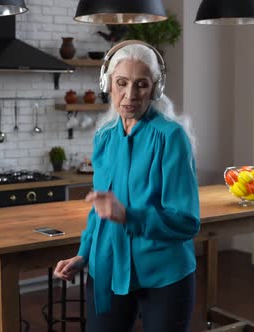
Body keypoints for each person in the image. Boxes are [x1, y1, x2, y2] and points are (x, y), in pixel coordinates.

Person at [54, 40, 200, 332]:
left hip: (164, 274)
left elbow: (187, 221)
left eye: (141, 84)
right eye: (121, 83)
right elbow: (100, 210)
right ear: (108, 84)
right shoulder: (104, 137)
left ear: (156, 88)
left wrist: (129, 216)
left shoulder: (171, 138)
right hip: (106, 266)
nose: (130, 95)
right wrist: (84, 253)